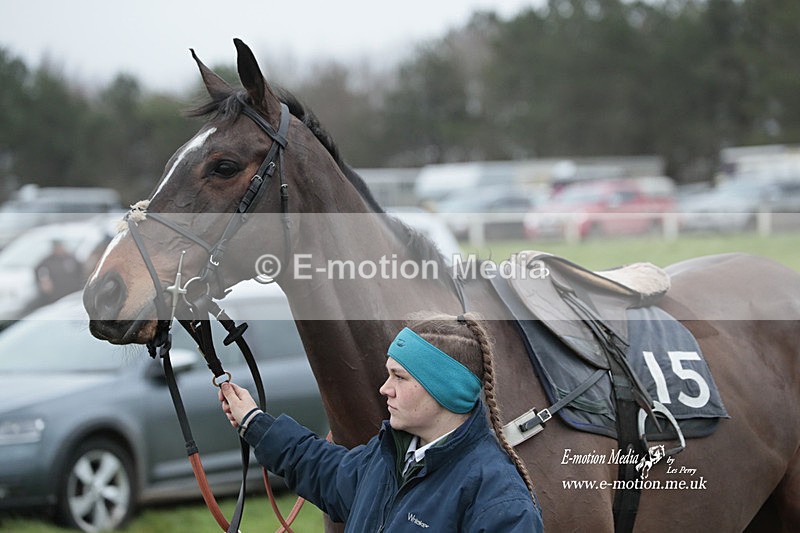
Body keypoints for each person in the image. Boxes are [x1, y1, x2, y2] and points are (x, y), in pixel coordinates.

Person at [219, 311, 544, 531]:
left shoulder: (499, 500)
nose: (384, 389)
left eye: (399, 377)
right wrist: (254, 422)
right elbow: (320, 468)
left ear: (445, 390)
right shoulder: (388, 455)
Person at [33, 240, 83, 306]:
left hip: (73, 293)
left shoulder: (70, 258)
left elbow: (81, 270)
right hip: (56, 295)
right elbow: (38, 269)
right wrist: (43, 281)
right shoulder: (48, 261)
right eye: (57, 248)